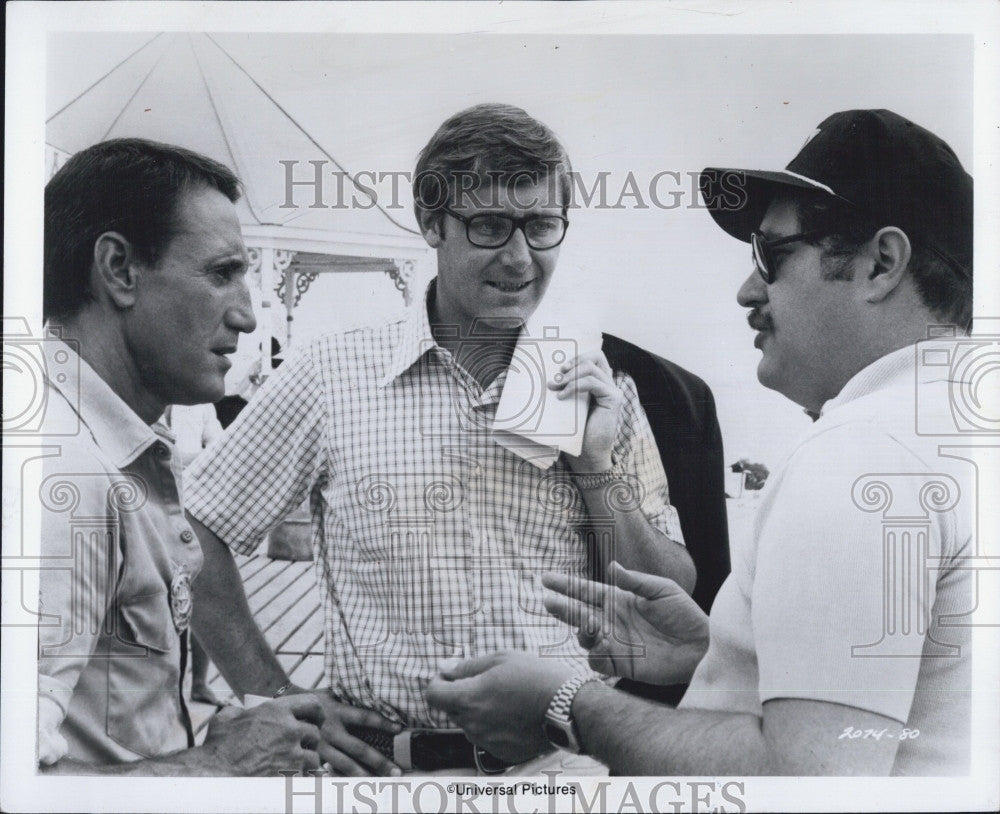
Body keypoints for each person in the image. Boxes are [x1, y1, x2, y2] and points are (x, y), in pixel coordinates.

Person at [425, 109, 975, 776]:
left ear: (881, 264)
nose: (747, 289)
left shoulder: (859, 453)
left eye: (771, 254)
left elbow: (807, 780)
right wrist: (711, 650)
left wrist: (566, 700)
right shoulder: (957, 432)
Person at [184, 103, 696, 772]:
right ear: (431, 223)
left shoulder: (589, 387)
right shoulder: (332, 374)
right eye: (488, 225)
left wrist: (596, 465)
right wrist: (278, 695)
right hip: (384, 773)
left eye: (541, 226)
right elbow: (194, 527)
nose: (519, 257)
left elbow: (667, 592)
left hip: (559, 774)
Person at [37, 137, 395, 776]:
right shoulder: (58, 471)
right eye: (222, 272)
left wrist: (266, 714)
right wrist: (220, 766)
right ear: (119, 269)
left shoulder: (108, 447)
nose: (249, 316)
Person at [161, 403, 226, 706]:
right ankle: (168, 688)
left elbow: (223, 450)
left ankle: (199, 683)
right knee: (159, 605)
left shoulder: (199, 405)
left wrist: (173, 459)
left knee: (200, 599)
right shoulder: (142, 398)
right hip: (152, 507)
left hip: (193, 510)